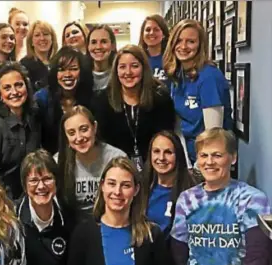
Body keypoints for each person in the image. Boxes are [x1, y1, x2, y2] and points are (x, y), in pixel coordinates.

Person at [171, 128, 272, 265]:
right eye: (203, 155)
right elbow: (179, 257)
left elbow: (257, 259)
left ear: (233, 158)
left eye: (217, 155)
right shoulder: (186, 200)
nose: (209, 162)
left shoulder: (252, 199)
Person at [68, 156, 169, 265]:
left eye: (126, 185)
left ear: (136, 190)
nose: (117, 192)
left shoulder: (151, 235)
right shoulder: (82, 235)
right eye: (111, 183)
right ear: (102, 186)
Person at [92, 45, 176, 171]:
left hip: (155, 169)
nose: (128, 72)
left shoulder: (160, 98)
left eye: (135, 66)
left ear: (144, 68)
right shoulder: (102, 100)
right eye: (122, 67)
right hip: (114, 170)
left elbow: (167, 138)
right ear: (116, 71)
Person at [163, 19, 233, 165]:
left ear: (200, 45)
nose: (183, 46)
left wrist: (197, 169)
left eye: (191, 41)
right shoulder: (178, 75)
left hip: (210, 161)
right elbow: (179, 125)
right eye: (179, 41)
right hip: (189, 157)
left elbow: (214, 135)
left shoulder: (209, 77)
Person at [0, 62, 41, 200]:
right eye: (7, 88)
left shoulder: (33, 120)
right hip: (3, 202)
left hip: (31, 198)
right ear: (0, 95)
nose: (14, 92)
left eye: (19, 85)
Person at [57, 105, 125, 225]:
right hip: (74, 230)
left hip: (111, 224)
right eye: (71, 133)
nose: (79, 137)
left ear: (94, 127)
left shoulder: (116, 158)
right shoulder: (58, 162)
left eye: (84, 129)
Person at [16, 149, 69, 265]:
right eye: (33, 181)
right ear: (24, 185)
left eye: (47, 179)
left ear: (56, 182)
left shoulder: (67, 220)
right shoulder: (11, 220)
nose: (41, 186)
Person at [35, 46, 94, 154]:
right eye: (61, 70)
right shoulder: (41, 99)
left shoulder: (93, 98)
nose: (67, 75)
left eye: (73, 69)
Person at [141, 130, 195, 236]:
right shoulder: (140, 187)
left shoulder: (191, 192)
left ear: (178, 156)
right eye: (156, 151)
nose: (161, 158)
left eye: (168, 152)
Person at [20, 20, 58, 92]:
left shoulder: (58, 62)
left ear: (52, 39)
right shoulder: (24, 65)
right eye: (37, 35)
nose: (42, 38)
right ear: (31, 42)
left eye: (46, 34)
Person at [138, 14, 170, 86]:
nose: (151, 33)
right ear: (142, 34)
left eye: (156, 30)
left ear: (164, 34)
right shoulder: (138, 59)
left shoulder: (171, 58)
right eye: (148, 30)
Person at [86, 24, 117, 91]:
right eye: (93, 42)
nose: (98, 47)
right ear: (88, 46)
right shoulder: (82, 75)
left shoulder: (119, 75)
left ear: (113, 46)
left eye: (104, 42)